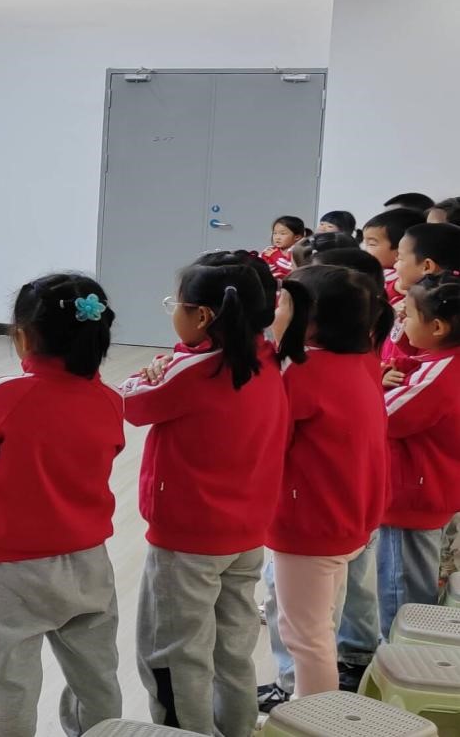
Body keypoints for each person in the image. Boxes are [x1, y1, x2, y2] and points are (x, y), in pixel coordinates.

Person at [119, 261, 290, 736]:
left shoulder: (192, 370)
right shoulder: (268, 358)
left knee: (176, 654)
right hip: (247, 532)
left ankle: (186, 731)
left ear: (202, 316)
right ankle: (235, 728)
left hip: (187, 539)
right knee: (232, 648)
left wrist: (150, 371)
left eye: (176, 305)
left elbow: (129, 403)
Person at [0, 274, 124, 737]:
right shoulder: (110, 400)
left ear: (22, 336)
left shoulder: (6, 395)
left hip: (14, 567)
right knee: (97, 678)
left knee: (9, 685)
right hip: (89, 561)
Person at [268, 266, 387, 698]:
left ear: (310, 316)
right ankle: (317, 712)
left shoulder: (303, 370)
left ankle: (315, 718)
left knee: (306, 636)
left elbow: (270, 440)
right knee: (318, 627)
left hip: (311, 523)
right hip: (348, 515)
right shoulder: (364, 360)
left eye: (283, 303)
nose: (275, 311)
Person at [379, 273, 460, 638]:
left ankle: (401, 654)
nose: (401, 319)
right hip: (430, 491)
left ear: (438, 327)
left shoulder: (435, 376)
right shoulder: (444, 360)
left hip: (412, 499)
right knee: (411, 582)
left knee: (402, 593)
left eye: (408, 315)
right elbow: (408, 355)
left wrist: (373, 381)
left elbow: (381, 417)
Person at [383, 223, 460, 387]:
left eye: (400, 258)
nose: (395, 265)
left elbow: (419, 357)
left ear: (427, 266)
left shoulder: (439, 311)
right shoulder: (411, 304)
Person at [363, 207, 426, 290]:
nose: (364, 249)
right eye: (365, 243)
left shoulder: (401, 279)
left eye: (371, 244)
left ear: (401, 249)